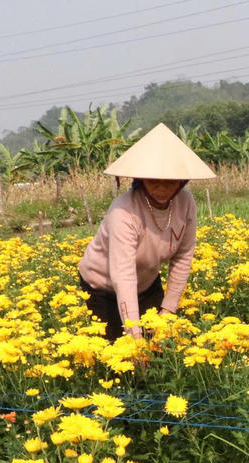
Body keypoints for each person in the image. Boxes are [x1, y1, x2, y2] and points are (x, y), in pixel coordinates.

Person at [78, 123, 217, 341]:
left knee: (160, 341)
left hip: (146, 282)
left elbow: (183, 256)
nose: (161, 188)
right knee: (118, 350)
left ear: (181, 181)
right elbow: (123, 275)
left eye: (169, 182)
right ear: (140, 179)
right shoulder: (124, 211)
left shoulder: (186, 203)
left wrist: (169, 309)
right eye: (153, 181)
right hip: (102, 286)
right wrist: (134, 336)